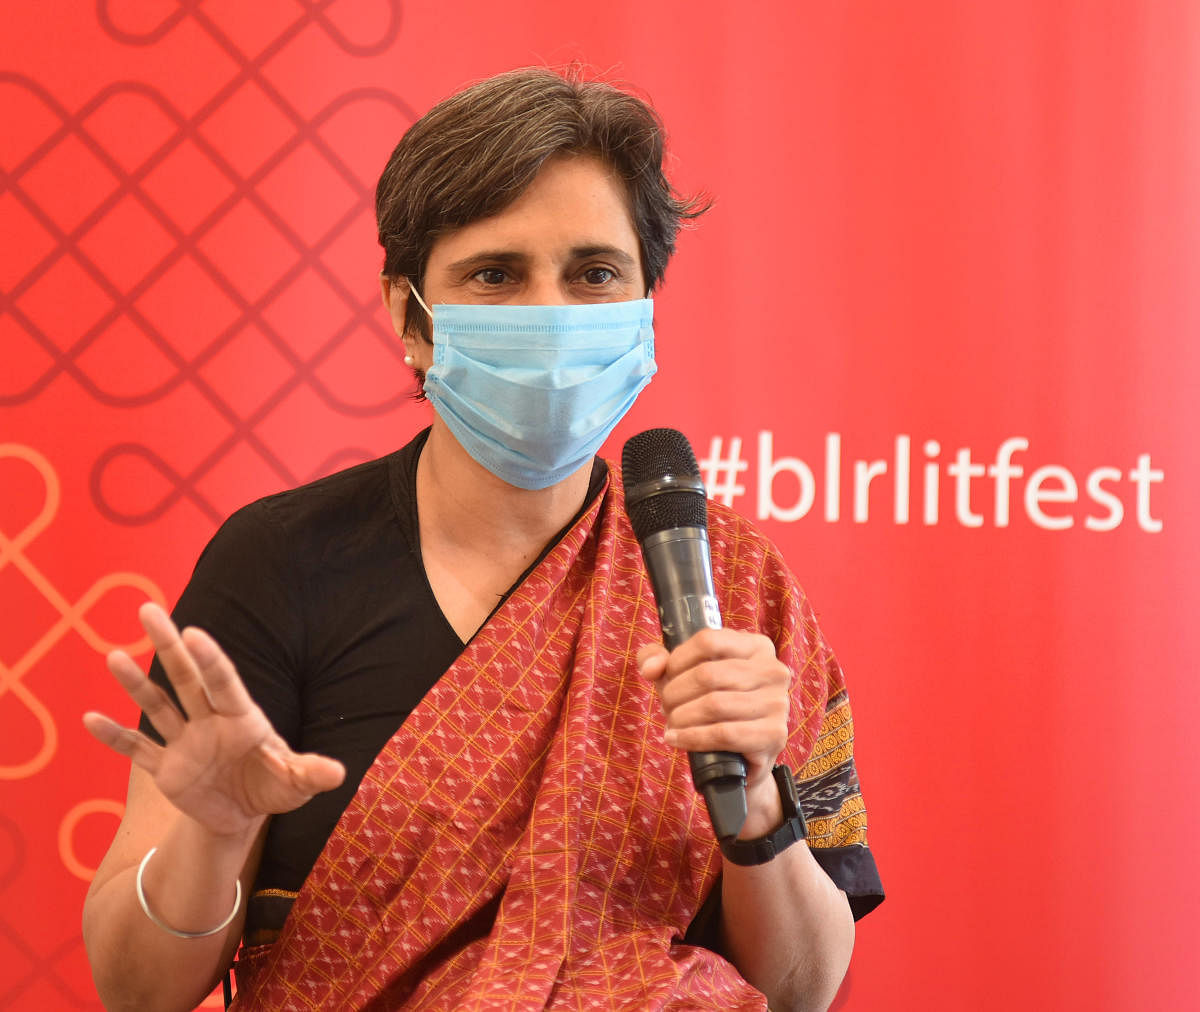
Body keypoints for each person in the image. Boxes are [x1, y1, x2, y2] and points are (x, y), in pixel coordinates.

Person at [81, 66, 883, 1012]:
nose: (550, 315)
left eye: (594, 275)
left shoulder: (736, 585)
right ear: (409, 316)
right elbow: (136, 991)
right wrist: (211, 840)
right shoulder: (279, 563)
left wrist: (754, 804)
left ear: (645, 309)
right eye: (495, 275)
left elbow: (803, 990)